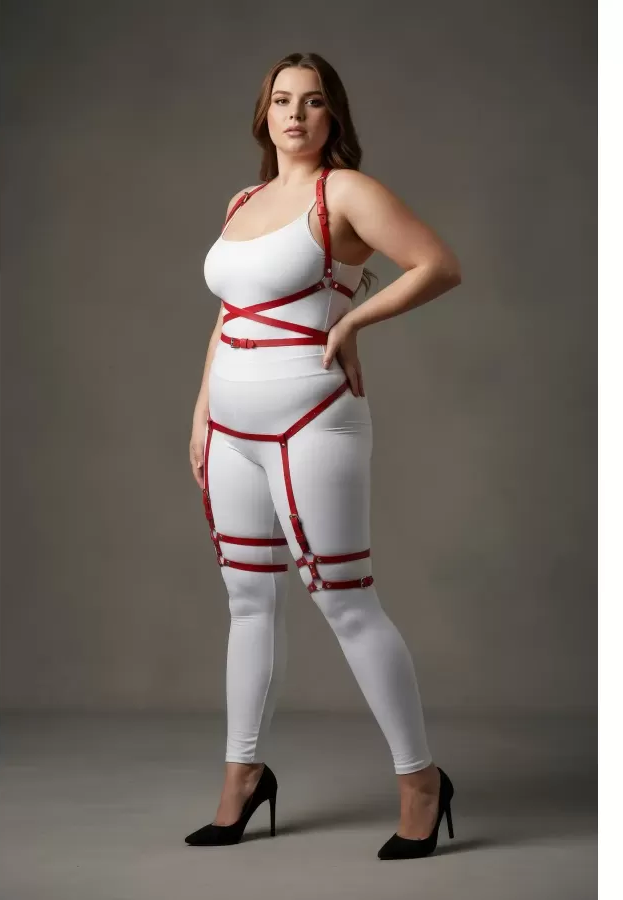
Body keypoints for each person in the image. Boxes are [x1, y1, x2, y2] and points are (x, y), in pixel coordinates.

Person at [185, 52, 462, 860]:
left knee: (345, 601)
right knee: (247, 601)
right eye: (282, 100)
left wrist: (350, 322)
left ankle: (421, 782)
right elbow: (228, 314)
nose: (295, 114)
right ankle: (242, 779)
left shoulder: (341, 191)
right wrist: (201, 414)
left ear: (332, 113)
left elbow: (438, 265)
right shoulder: (242, 202)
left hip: (312, 418)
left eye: (311, 101)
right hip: (230, 430)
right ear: (264, 113)